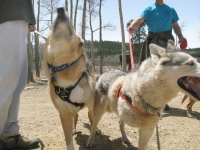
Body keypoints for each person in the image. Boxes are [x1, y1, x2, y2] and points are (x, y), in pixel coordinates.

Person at [128, 0, 187, 110]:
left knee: (167, 72)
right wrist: (132, 27)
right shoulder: (149, 9)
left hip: (167, 41)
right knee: (151, 71)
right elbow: (140, 20)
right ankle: (147, 100)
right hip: (153, 42)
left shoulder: (170, 9)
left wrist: (180, 36)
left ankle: (162, 101)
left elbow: (176, 25)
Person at [0, 0, 40, 149]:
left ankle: (8, 133)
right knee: (8, 79)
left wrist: (29, 17)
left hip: (16, 14)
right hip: (8, 13)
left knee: (17, 80)